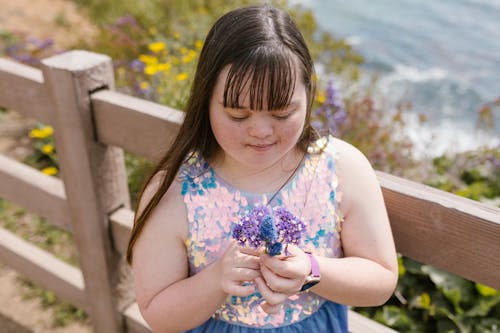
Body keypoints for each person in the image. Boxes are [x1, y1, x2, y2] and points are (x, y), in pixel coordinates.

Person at [127, 4, 398, 333]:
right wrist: (215, 281)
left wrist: (312, 271)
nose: (261, 131)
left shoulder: (340, 170)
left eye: (282, 113)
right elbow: (157, 313)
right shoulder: (176, 191)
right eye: (238, 116)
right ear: (205, 101)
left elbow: (382, 278)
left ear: (308, 96)